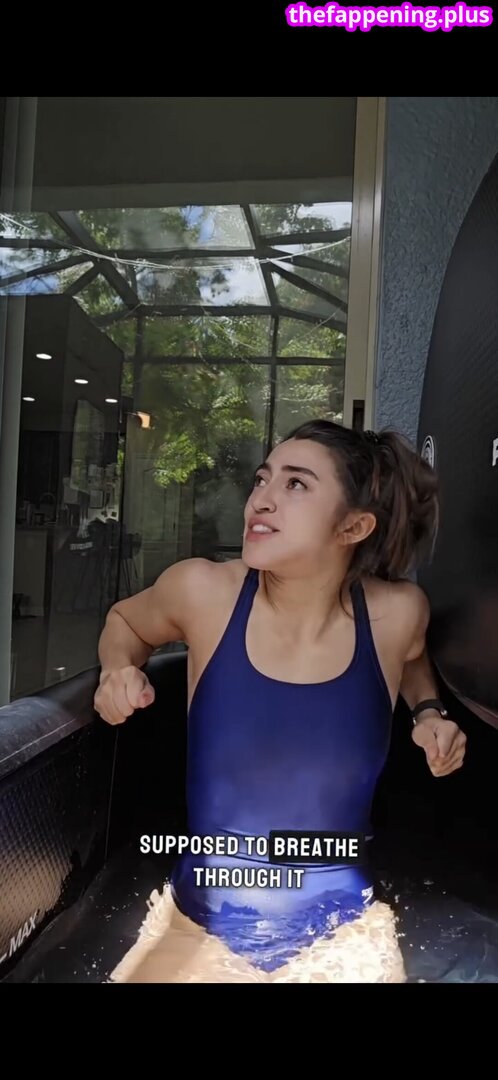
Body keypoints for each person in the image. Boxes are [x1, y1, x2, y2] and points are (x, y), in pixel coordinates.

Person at [94, 419, 467, 983]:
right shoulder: (203, 592)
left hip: (345, 925)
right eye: (261, 479)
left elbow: (411, 660)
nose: (261, 500)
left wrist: (429, 713)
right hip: (200, 916)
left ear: (353, 526)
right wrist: (116, 670)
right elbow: (125, 621)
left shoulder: (397, 614)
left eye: (295, 484)